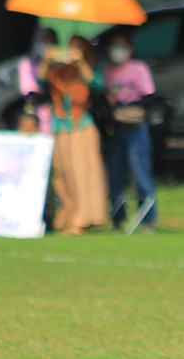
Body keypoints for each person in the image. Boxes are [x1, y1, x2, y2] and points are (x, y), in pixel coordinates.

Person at [39, 35, 109, 235]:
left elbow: (96, 85)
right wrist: (47, 60)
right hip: (60, 126)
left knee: (81, 173)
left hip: (81, 126)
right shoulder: (57, 71)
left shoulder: (89, 68)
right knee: (61, 174)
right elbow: (41, 81)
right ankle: (66, 217)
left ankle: (84, 218)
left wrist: (81, 63)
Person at [102, 31, 158, 232]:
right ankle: (118, 216)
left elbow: (148, 96)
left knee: (140, 170)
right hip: (116, 127)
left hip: (135, 126)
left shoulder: (138, 68)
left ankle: (148, 218)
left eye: (122, 46)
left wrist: (130, 105)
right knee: (115, 172)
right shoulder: (107, 72)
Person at [19, 28, 59, 134]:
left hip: (56, 115)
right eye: (44, 40)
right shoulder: (27, 63)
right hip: (37, 114)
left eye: (51, 40)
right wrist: (45, 64)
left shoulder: (59, 65)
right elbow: (29, 90)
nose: (47, 45)